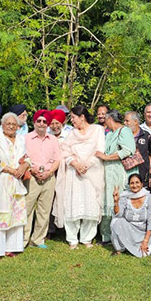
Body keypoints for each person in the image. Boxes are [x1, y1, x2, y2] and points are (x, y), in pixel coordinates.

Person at [53, 106, 106, 249]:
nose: (71, 120)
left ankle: (87, 238)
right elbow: (65, 151)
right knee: (73, 203)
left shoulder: (97, 130)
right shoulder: (72, 133)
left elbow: (100, 150)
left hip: (92, 172)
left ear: (82, 117)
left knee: (91, 203)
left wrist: (86, 165)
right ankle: (72, 239)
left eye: (73, 117)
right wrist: (75, 164)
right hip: (74, 173)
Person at [0, 113, 29, 260]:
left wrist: (25, 165)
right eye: (8, 124)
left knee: (16, 214)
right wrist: (10, 170)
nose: (11, 127)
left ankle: (12, 247)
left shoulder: (21, 139)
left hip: (17, 182)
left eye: (14, 124)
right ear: (2, 125)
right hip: (2, 179)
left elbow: (27, 157)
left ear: (18, 126)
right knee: (0, 214)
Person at [96, 110, 136, 244]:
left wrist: (107, 157)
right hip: (108, 171)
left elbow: (128, 150)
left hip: (119, 170)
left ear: (109, 119)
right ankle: (106, 235)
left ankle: (120, 235)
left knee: (118, 200)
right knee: (107, 200)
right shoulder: (110, 134)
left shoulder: (124, 131)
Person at [24, 110, 61, 248]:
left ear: (48, 124)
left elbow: (58, 159)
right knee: (27, 208)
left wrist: (50, 172)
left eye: (45, 121)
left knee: (44, 210)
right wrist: (32, 170)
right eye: (39, 121)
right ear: (34, 122)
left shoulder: (53, 140)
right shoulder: (26, 138)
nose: (41, 123)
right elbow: (23, 157)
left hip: (49, 177)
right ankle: (23, 239)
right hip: (31, 177)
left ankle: (38, 239)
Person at [110, 173, 151, 257]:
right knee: (116, 221)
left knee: (144, 254)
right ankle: (120, 248)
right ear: (129, 185)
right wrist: (116, 202)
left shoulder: (150, 198)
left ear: (142, 184)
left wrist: (145, 241)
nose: (135, 185)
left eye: (137, 182)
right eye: (132, 183)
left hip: (144, 232)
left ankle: (140, 244)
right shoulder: (125, 197)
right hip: (130, 229)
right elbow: (118, 215)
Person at [125, 110, 151, 183]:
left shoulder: (146, 136)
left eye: (127, 121)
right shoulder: (123, 136)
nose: (125, 123)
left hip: (142, 176)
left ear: (135, 122)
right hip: (126, 176)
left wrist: (150, 175)